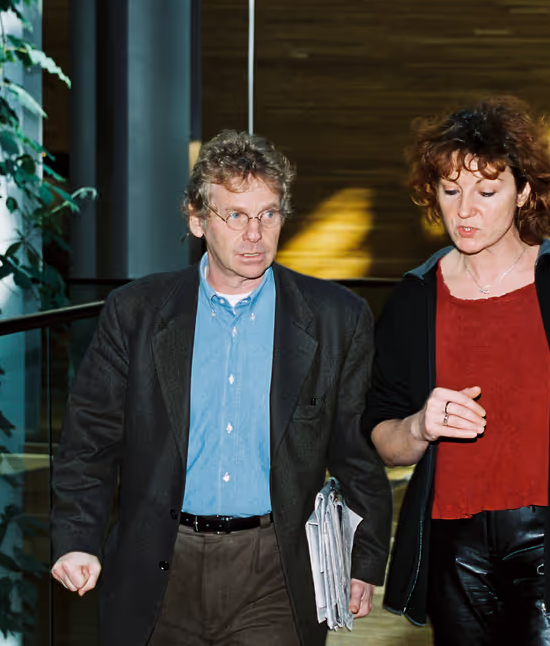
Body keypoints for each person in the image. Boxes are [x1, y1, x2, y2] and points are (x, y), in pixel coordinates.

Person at [50, 129, 392, 646]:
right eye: (235, 215)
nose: (254, 233)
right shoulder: (137, 312)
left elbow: (355, 449)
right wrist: (76, 539)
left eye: (268, 214)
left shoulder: (336, 319)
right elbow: (90, 438)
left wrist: (363, 558)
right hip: (159, 561)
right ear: (197, 219)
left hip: (276, 569)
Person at [363, 97, 550, 645]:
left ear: (523, 191)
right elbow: (385, 439)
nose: (465, 210)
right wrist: (418, 427)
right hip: (453, 549)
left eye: (486, 190)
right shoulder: (414, 299)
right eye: (451, 191)